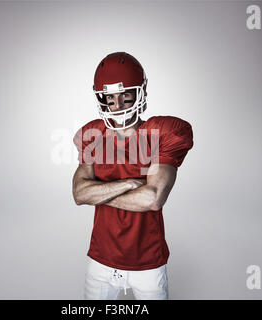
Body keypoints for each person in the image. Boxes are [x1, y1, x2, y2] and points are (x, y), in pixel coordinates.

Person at [72, 52, 194, 300]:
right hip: (100, 258)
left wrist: (97, 192)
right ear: (101, 98)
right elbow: (78, 194)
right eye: (110, 98)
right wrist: (128, 183)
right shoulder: (92, 134)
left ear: (140, 92)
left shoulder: (163, 132)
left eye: (125, 96)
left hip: (147, 261)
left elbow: (152, 198)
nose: (117, 105)